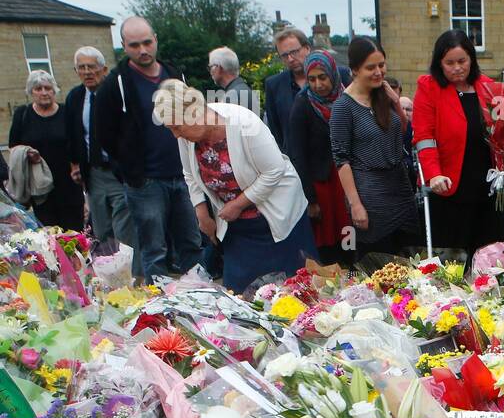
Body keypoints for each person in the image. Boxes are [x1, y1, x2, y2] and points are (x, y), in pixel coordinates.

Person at [155, 80, 315, 293]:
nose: (175, 134)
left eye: (176, 127)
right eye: (170, 129)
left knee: (290, 291)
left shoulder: (244, 124)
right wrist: (201, 212)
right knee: (237, 294)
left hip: (278, 218)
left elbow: (274, 171)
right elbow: (189, 174)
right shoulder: (185, 136)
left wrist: (238, 204)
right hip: (237, 227)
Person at [95, 17, 202, 279]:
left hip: (183, 175)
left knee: (192, 242)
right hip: (145, 182)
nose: (142, 50)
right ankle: (159, 310)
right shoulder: (115, 84)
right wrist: (131, 174)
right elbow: (104, 134)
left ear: (155, 40)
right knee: (154, 248)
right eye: (134, 45)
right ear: (123, 46)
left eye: (146, 42)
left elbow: (193, 116)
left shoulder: (175, 74)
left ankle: (201, 297)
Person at [412, 30, 504, 257]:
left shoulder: (489, 87)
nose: (457, 68)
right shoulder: (428, 87)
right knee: (452, 261)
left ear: (472, 60)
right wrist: (433, 174)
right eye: (449, 63)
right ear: (439, 63)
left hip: (486, 186)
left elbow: (501, 132)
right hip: (447, 186)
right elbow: (424, 137)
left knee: (486, 257)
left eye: (462, 61)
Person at [331, 37, 420, 257]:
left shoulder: (383, 94)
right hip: (369, 193)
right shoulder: (343, 107)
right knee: (375, 262)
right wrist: (355, 205)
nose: (379, 72)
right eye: (370, 67)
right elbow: (341, 160)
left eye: (382, 65)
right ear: (354, 70)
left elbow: (399, 133)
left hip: (400, 188)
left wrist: (396, 104)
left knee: (410, 260)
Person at [66, 47, 135, 249]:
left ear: (104, 69)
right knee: (101, 228)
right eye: (81, 67)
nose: (87, 72)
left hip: (118, 171)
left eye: (91, 67)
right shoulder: (75, 98)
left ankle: (132, 272)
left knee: (124, 226)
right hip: (93, 173)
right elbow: (72, 134)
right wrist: (74, 165)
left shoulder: (118, 94)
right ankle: (108, 270)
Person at [288, 50, 353, 265]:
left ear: (333, 75)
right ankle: (331, 287)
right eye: (312, 79)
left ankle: (353, 281)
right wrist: (310, 199)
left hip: (346, 180)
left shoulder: (347, 99)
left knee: (349, 236)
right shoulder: (303, 104)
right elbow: (297, 154)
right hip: (321, 185)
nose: (317, 84)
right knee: (326, 241)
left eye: (322, 77)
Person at [8, 71, 83, 230]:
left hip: (69, 183)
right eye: (38, 88)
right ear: (31, 92)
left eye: (48, 88)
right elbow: (13, 146)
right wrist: (26, 153)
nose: (44, 92)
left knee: (75, 232)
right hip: (40, 188)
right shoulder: (23, 114)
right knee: (49, 234)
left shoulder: (66, 112)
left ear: (54, 90)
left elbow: (78, 142)